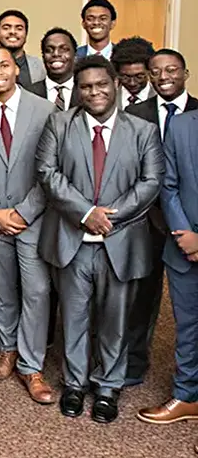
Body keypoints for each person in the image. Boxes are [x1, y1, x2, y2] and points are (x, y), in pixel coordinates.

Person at [36, 55, 163, 423]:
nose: (95, 92)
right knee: (74, 317)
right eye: (87, 87)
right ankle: (75, 384)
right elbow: (47, 172)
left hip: (120, 241)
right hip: (71, 239)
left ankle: (108, 386)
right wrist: (85, 213)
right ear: (78, 90)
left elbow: (151, 182)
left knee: (115, 319)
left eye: (102, 85)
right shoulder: (59, 124)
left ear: (116, 85)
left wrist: (110, 216)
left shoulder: (142, 131)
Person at [0, 47, 56, 404]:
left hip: (33, 218)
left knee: (36, 291)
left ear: (16, 69)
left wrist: (24, 211)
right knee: (3, 290)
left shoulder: (47, 110)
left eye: (3, 65)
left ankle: (32, 366)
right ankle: (8, 350)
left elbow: (52, 168)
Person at [124, 49, 197, 387]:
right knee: (141, 298)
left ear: (185, 73)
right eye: (156, 71)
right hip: (146, 221)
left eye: (172, 69)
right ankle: (134, 365)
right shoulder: (135, 113)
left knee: (188, 310)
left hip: (188, 225)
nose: (164, 76)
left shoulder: (197, 112)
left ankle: (187, 380)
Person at [138, 77, 198, 425]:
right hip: (183, 244)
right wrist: (185, 234)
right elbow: (169, 183)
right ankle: (187, 395)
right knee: (187, 326)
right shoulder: (181, 124)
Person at [25, 28, 79, 110]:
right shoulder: (28, 93)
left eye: (63, 49)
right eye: (49, 50)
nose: (56, 54)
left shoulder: (86, 92)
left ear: (75, 56)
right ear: (43, 57)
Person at [0, 10, 45, 86]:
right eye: (6, 28)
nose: (12, 32)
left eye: (19, 28)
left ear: (26, 35)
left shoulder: (41, 66)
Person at [113, 36, 157, 109]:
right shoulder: (108, 99)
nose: (132, 83)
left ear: (149, 71)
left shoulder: (161, 98)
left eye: (139, 76)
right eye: (125, 77)